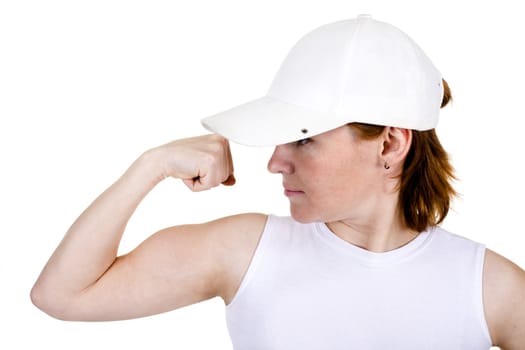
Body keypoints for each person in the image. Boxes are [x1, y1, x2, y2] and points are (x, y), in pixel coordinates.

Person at [31, 15, 524, 349]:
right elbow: (62, 296)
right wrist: (150, 166)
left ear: (390, 144)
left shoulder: (488, 288)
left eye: (303, 140)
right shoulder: (246, 250)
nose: (274, 163)